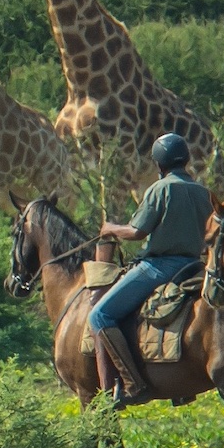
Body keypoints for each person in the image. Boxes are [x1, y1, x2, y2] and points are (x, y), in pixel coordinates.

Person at [88, 133, 213, 407]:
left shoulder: (160, 189)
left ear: (159, 163)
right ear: (187, 159)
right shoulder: (204, 193)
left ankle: (133, 383)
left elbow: (137, 231)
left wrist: (110, 228)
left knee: (100, 315)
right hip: (195, 267)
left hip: (159, 266)